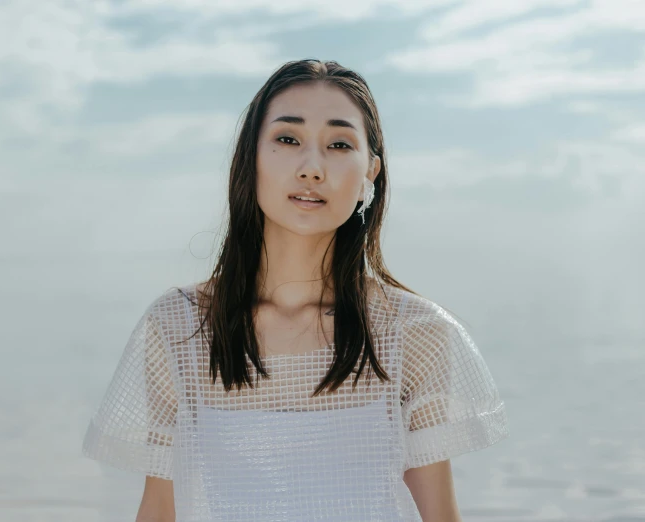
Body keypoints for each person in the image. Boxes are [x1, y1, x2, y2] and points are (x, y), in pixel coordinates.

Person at [82, 59, 509, 521]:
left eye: (339, 144)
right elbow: (161, 509)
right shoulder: (181, 327)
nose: (312, 168)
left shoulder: (415, 333)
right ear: (252, 156)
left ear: (371, 171)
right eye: (288, 139)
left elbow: (438, 515)